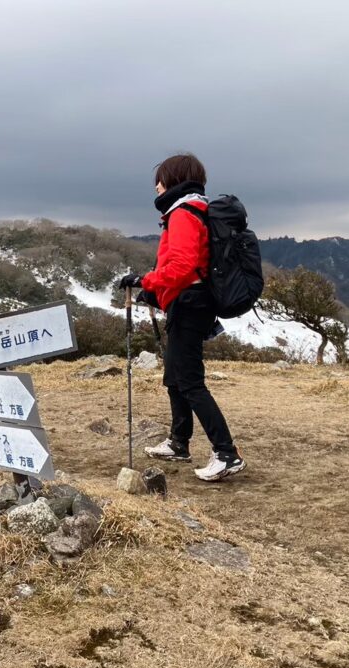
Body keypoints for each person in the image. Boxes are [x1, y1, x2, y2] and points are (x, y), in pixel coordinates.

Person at [118, 153, 246, 482]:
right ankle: (179, 442)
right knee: (175, 376)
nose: (156, 187)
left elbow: (182, 268)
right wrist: (152, 291)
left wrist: (144, 281)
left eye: (160, 180)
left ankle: (226, 453)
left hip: (190, 305)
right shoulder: (189, 211)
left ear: (175, 180)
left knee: (189, 381)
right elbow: (184, 271)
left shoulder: (184, 214)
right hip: (186, 302)